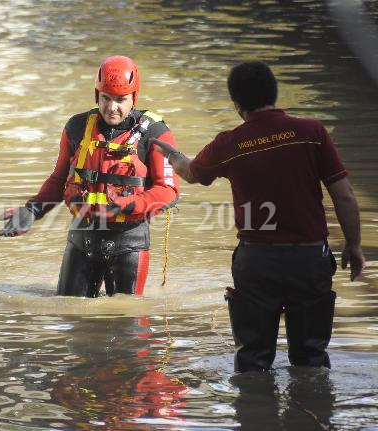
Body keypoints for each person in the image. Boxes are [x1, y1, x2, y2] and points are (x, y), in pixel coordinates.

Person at [152, 61, 365, 372]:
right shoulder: (312, 133)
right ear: (274, 93)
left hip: (257, 262)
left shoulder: (230, 143)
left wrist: (170, 154)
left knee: (252, 362)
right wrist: (354, 245)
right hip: (309, 260)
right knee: (312, 360)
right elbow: (344, 195)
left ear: (237, 104)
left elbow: (191, 173)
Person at [0, 55, 179, 297]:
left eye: (120, 100)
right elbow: (59, 179)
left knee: (128, 317)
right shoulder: (76, 127)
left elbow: (169, 191)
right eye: (106, 98)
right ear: (97, 95)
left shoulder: (156, 132)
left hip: (129, 243)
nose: (112, 107)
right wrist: (32, 210)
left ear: (134, 98)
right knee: (69, 312)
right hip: (82, 238)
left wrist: (129, 204)